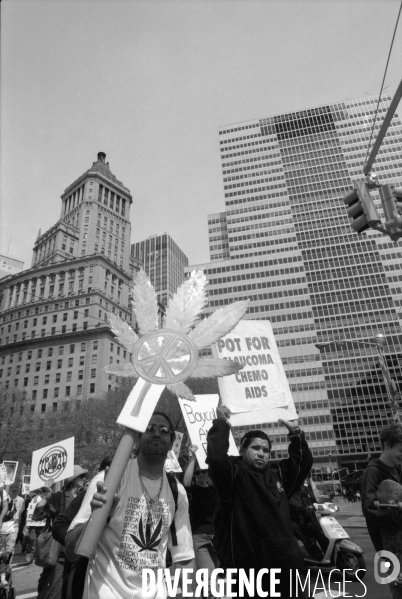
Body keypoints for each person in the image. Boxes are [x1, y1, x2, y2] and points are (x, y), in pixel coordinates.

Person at [65, 411, 195, 599]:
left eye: (164, 430)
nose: (157, 433)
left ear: (171, 440)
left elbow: (184, 559)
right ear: (138, 438)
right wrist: (98, 517)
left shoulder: (178, 492)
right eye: (149, 428)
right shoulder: (109, 481)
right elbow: (71, 552)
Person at [207, 405, 313, 599]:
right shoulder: (233, 475)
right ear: (242, 449)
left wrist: (295, 432)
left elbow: (302, 463)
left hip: (287, 568)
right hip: (250, 573)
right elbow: (215, 458)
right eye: (255, 448)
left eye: (266, 450)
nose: (262, 453)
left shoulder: (278, 475)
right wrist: (221, 423)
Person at [34, 465, 88, 599]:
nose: (84, 478)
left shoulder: (84, 496)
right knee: (54, 591)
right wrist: (46, 496)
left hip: (79, 551)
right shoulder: (58, 497)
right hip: (60, 552)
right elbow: (37, 515)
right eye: (80, 476)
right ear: (72, 479)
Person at [361, 422, 402, 598]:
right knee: (399, 588)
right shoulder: (373, 472)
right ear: (386, 446)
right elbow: (370, 510)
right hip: (390, 545)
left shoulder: (398, 469)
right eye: (401, 450)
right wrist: (397, 511)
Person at [183, 444, 219, 595]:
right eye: (197, 472)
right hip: (200, 539)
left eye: (203, 471)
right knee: (210, 580)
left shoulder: (216, 490)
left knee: (213, 575)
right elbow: (185, 481)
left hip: (217, 539)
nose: (200, 475)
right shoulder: (191, 492)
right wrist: (192, 457)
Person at [0, 484, 25, 564]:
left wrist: (20, 526)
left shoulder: (21, 500)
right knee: (3, 549)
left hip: (14, 526)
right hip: (3, 526)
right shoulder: (4, 499)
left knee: (10, 548)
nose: (15, 492)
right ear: (9, 490)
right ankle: (3, 565)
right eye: (13, 490)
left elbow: (21, 513)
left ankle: (8, 566)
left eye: (16, 490)